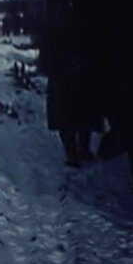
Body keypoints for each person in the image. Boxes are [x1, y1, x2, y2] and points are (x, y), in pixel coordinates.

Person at [43, 18, 102, 168]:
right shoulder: (86, 21)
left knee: (70, 117)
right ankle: (79, 151)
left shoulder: (56, 23)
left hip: (68, 77)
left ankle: (76, 153)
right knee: (79, 115)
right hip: (76, 76)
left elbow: (46, 55)